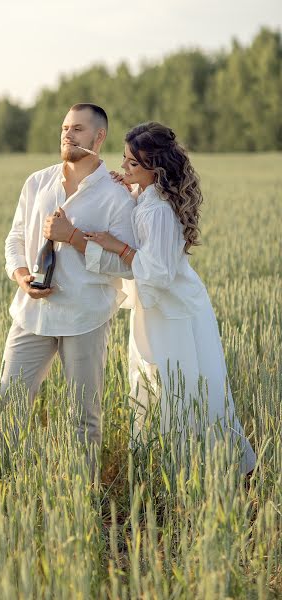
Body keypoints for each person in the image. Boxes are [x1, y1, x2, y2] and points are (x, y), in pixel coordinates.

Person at [81, 121, 256, 476]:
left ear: (155, 169)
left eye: (133, 164)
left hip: (173, 309)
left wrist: (119, 247)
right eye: (125, 160)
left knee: (183, 389)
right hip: (163, 306)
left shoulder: (157, 208)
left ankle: (207, 470)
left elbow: (158, 272)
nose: (124, 168)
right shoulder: (148, 197)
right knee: (163, 385)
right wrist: (128, 189)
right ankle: (175, 468)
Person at [0, 103, 135, 479]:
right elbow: (15, 237)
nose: (67, 135)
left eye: (77, 129)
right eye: (64, 128)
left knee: (83, 417)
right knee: (8, 404)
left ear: (99, 136)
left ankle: (82, 499)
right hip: (32, 312)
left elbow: (127, 266)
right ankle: (5, 488)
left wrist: (73, 239)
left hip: (86, 315)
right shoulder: (37, 182)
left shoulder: (117, 197)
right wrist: (21, 274)